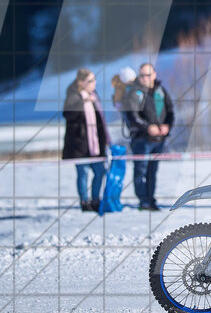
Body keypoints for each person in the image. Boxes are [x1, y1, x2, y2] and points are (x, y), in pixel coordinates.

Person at [122, 62, 175, 210]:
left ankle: (151, 199)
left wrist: (167, 126)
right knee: (140, 170)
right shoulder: (134, 93)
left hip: (159, 140)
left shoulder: (161, 91)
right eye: (142, 75)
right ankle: (143, 200)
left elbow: (170, 111)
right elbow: (132, 116)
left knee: (153, 171)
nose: (145, 78)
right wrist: (148, 128)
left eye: (148, 75)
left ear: (154, 75)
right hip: (141, 140)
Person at [63, 68, 110, 211]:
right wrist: (82, 102)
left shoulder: (94, 96)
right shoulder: (73, 95)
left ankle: (96, 200)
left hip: (95, 143)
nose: (94, 83)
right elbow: (68, 114)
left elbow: (100, 121)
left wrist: (106, 139)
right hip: (79, 144)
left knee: (100, 171)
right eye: (90, 80)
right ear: (81, 82)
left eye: (94, 80)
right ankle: (84, 202)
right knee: (83, 173)